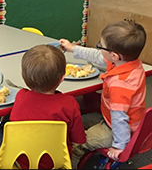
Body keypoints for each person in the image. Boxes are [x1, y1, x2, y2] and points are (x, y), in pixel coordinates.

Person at [59, 20, 147, 168]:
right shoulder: (127, 62)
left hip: (116, 130)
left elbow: (119, 118)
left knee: (77, 144)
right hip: (110, 119)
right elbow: (97, 56)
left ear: (114, 55)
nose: (98, 48)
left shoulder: (120, 85)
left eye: (100, 46)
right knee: (74, 123)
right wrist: (73, 48)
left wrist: (119, 146)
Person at [0, 45, 86, 169]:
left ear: (22, 74)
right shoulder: (69, 104)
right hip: (56, 162)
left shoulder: (21, 97)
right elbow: (78, 139)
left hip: (22, 161)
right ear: (63, 77)